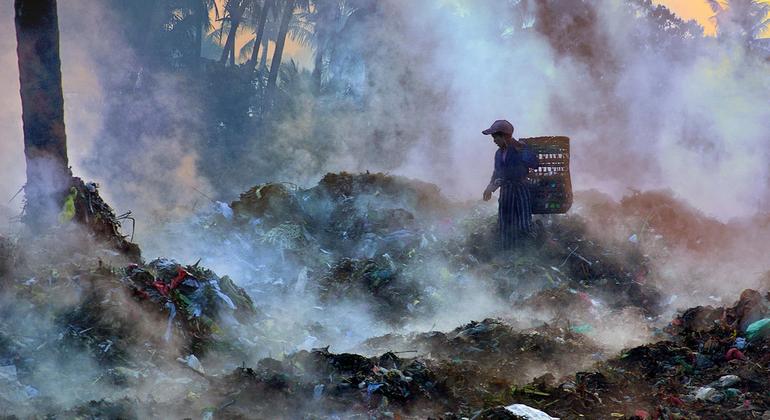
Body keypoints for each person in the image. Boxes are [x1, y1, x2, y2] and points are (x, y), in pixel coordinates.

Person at [481, 119, 539, 249]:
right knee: (504, 224)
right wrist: (490, 188)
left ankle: (530, 252)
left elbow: (535, 164)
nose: (494, 140)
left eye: (496, 137)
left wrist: (523, 149)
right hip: (506, 191)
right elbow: (497, 173)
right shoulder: (498, 153)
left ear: (504, 136)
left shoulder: (520, 149)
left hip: (520, 189)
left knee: (523, 225)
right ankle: (508, 254)